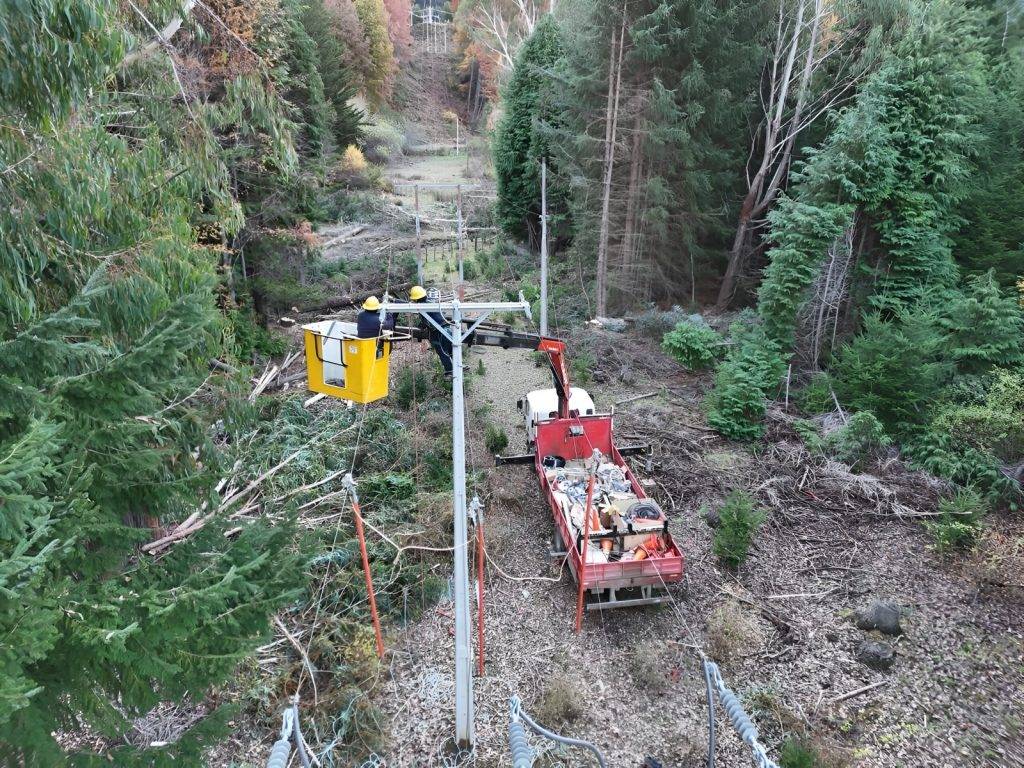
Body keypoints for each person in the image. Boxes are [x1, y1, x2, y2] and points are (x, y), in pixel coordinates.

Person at [410, 285, 453, 376]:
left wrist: (420, 327)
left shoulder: (422, 306)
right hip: (446, 328)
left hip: (439, 332)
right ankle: (457, 366)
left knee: (442, 351)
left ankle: (450, 370)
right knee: (450, 350)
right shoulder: (429, 302)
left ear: (416, 299)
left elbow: (425, 322)